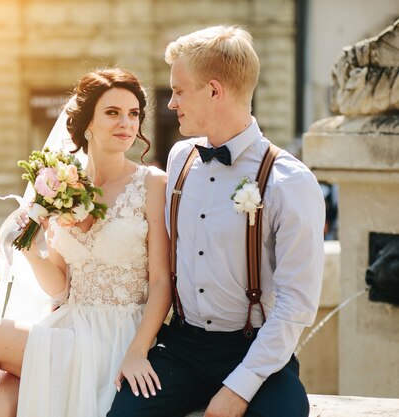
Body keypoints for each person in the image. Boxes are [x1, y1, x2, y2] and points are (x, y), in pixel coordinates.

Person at [107, 26, 325, 417]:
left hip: (257, 352)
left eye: (178, 90)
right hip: (182, 349)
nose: (171, 103)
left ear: (213, 90)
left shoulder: (290, 182)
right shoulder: (179, 158)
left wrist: (238, 390)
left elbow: (296, 305)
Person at [0, 68, 171, 417]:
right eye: (113, 112)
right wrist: (31, 253)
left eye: (133, 114)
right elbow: (61, 287)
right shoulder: (62, 185)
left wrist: (137, 350)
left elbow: (161, 282)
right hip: (70, 326)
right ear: (87, 123)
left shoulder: (152, 183)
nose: (127, 123)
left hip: (119, 336)